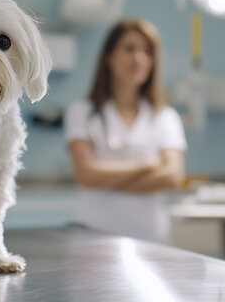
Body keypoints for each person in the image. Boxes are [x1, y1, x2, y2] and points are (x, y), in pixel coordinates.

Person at [64, 19, 187, 244]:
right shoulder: (82, 112)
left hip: (151, 238)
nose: (139, 58)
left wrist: (107, 179)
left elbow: (172, 177)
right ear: (108, 57)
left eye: (147, 52)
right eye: (129, 49)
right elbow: (86, 175)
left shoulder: (165, 117)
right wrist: (148, 165)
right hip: (94, 236)